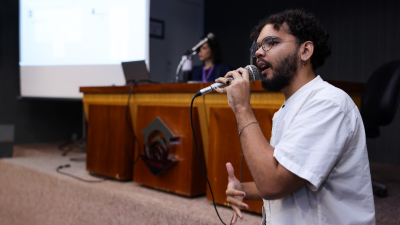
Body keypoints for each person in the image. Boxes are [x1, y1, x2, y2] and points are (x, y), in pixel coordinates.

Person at [214, 9, 375, 225]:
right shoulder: (287, 109)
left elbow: (273, 183)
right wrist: (244, 189)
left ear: (305, 51)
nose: (259, 53)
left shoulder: (328, 103)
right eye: (258, 46)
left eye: (270, 42)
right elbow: (289, 175)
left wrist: (242, 107)